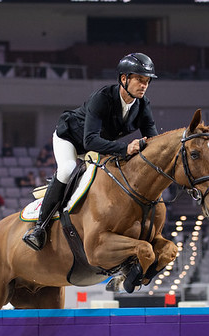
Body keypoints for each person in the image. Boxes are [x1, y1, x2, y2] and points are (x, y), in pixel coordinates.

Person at [23, 52, 159, 251]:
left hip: (100, 147)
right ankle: (39, 228)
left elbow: (153, 140)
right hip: (71, 139)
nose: (144, 85)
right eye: (139, 79)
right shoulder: (102, 98)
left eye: (147, 81)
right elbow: (90, 140)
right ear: (124, 78)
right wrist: (125, 148)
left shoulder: (142, 105)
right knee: (68, 169)